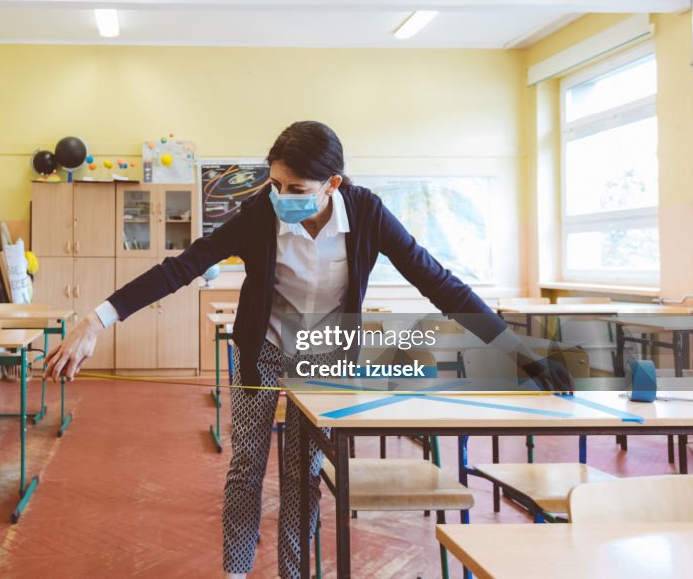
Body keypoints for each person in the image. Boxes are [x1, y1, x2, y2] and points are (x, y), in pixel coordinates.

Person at [44, 121, 568, 578]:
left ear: (332, 184)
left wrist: (516, 347)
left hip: (324, 356)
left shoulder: (366, 214)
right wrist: (97, 319)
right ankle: (236, 570)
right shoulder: (259, 214)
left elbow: (438, 280)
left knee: (302, 473)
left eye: (295, 187)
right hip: (263, 351)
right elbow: (181, 266)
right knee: (247, 463)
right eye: (274, 183)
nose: (281, 195)